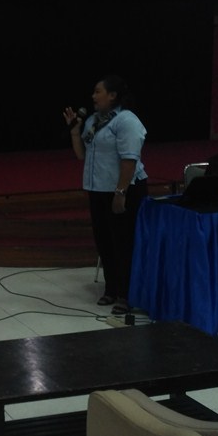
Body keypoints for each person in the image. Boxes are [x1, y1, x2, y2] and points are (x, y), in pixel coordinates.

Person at [63, 75, 148, 316]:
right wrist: (75, 132)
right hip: (98, 189)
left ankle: (126, 295)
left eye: (98, 91)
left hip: (123, 189)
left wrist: (121, 192)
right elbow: (82, 155)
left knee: (123, 242)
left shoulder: (126, 120)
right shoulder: (94, 120)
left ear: (112, 95)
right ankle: (111, 288)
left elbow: (129, 159)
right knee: (105, 241)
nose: (93, 96)